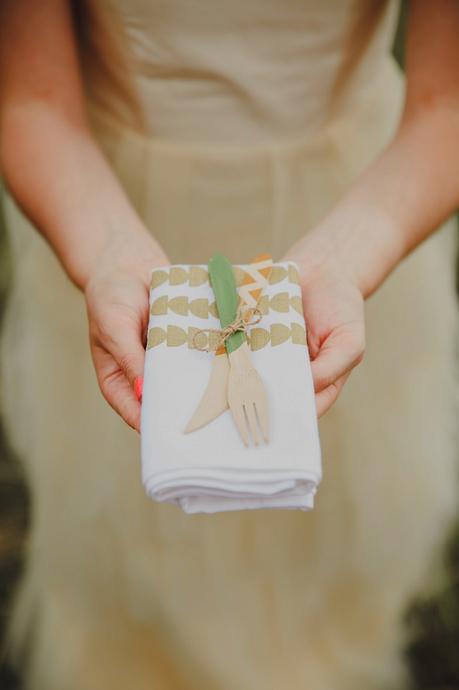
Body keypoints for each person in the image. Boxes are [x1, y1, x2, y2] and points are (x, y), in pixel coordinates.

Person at [0, 0, 457, 688]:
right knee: (130, 566)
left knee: (330, 552)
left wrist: (345, 257)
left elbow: (447, 107)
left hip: (355, 206)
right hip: (109, 201)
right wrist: (107, 254)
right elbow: (28, 101)